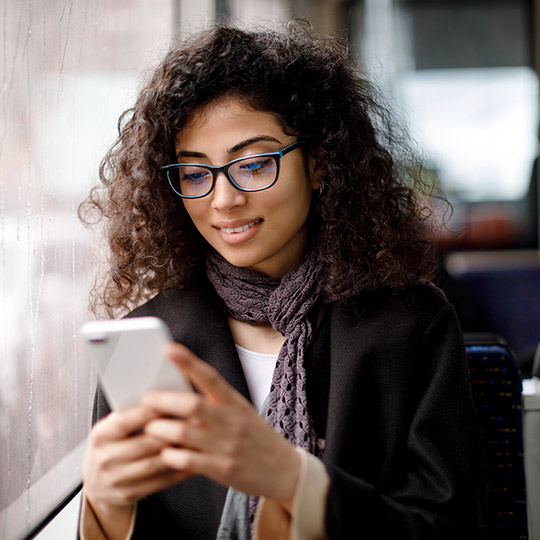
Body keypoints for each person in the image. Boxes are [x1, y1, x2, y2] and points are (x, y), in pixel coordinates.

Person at [78, 21, 484, 539]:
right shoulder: (146, 339)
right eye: (195, 173)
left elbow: (448, 529)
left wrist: (295, 481)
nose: (223, 200)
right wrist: (108, 510)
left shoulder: (411, 325)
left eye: (252, 164)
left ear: (318, 164)